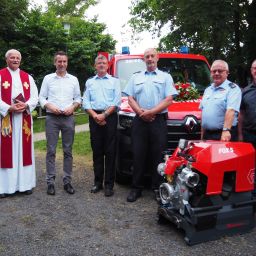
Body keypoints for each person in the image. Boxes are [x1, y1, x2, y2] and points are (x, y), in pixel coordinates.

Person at [123, 48, 177, 202]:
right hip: (140, 120)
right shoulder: (136, 77)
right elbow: (130, 98)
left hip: (158, 121)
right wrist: (141, 113)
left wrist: (151, 112)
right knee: (138, 154)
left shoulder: (165, 77)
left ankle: (157, 188)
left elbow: (169, 99)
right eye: (147, 56)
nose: (150, 58)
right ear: (144, 59)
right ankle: (136, 188)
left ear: (158, 58)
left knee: (157, 156)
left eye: (152, 56)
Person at [39, 51, 81, 195]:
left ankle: (67, 181)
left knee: (68, 151)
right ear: (54, 62)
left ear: (67, 63)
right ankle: (50, 182)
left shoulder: (73, 79)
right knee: (51, 151)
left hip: (68, 118)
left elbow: (78, 98)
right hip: (52, 118)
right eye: (59, 61)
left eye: (64, 61)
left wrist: (73, 107)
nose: (61, 64)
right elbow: (42, 98)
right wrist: (50, 106)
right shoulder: (48, 78)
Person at [0, 49, 38, 198]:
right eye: (12, 57)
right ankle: (4, 187)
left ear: (20, 60)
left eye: (17, 58)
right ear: (6, 60)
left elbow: (34, 97)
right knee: (5, 152)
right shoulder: (1, 75)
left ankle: (25, 185)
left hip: (24, 120)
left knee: (24, 152)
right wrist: (9, 107)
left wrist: (26, 105)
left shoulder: (27, 77)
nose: (15, 60)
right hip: (6, 120)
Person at [82, 55, 121, 197]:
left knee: (110, 152)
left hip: (109, 117)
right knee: (97, 151)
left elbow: (116, 101)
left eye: (104, 62)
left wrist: (104, 115)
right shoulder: (89, 82)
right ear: (95, 66)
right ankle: (97, 182)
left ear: (108, 64)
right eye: (99, 63)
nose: (101, 64)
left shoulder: (114, 81)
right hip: (94, 118)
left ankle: (109, 185)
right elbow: (85, 102)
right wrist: (95, 116)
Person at [200, 60, 241, 141]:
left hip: (223, 133)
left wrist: (226, 131)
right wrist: (202, 136)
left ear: (227, 73)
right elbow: (203, 114)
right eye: (214, 71)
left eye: (220, 71)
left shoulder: (233, 89)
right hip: (207, 134)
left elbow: (231, 110)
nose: (216, 73)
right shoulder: (207, 90)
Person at [238, 59, 256, 195]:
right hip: (250, 135)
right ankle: (252, 199)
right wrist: (240, 136)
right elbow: (240, 115)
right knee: (251, 169)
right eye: (254, 68)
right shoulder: (245, 91)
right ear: (251, 71)